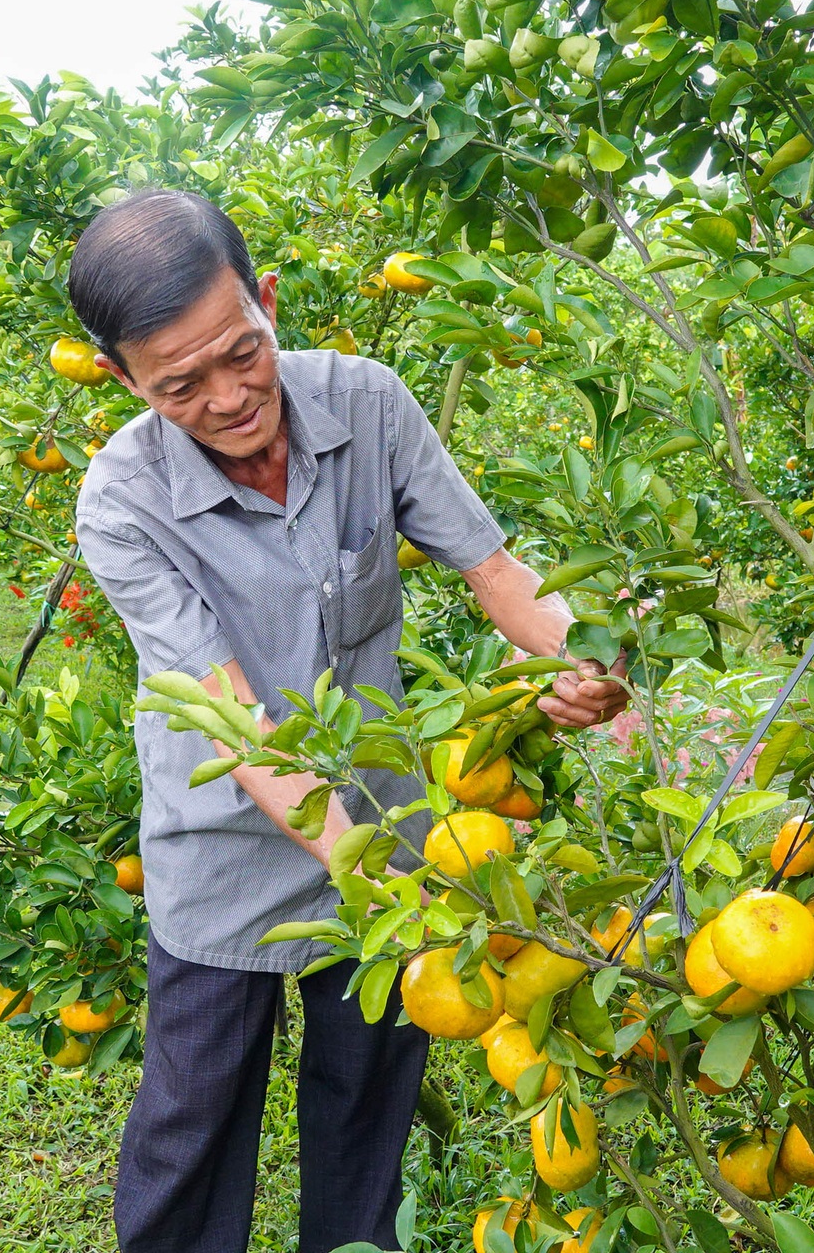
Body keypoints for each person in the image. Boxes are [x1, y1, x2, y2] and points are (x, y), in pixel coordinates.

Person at [67, 189, 630, 1253]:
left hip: (386, 824)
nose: (230, 397)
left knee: (365, 1111)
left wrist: (575, 655)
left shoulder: (367, 403)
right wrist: (371, 878)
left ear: (268, 299)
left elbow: (497, 571)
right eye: (181, 385)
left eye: (243, 352)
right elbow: (236, 725)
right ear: (123, 379)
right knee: (191, 1125)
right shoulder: (119, 498)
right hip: (224, 850)